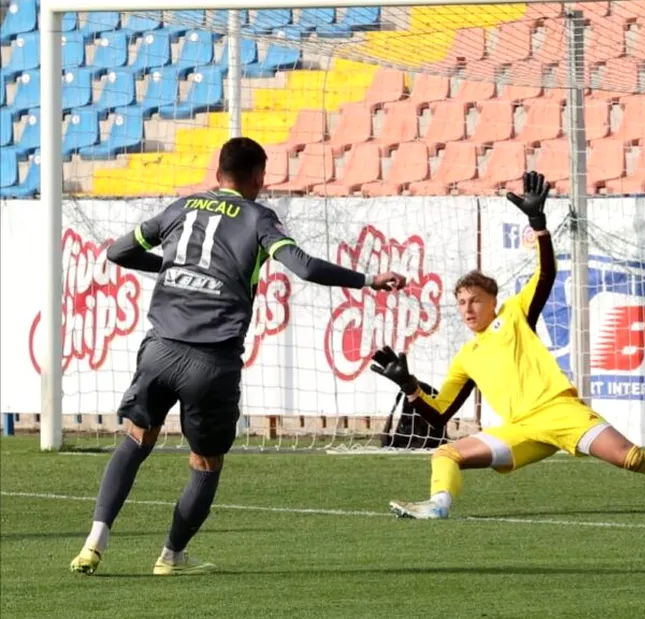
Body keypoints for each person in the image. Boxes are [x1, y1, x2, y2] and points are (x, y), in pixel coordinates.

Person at [70, 137, 407, 576]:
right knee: (206, 462)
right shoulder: (258, 217)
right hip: (211, 362)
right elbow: (303, 266)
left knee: (135, 438)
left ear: (217, 174)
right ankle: (171, 557)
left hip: (159, 351)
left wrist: (176, 268)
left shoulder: (182, 208)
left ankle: (95, 540)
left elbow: (118, 252)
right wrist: (367, 280)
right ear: (257, 178)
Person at [373, 171, 645, 520]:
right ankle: (438, 505)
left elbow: (546, 272)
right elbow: (439, 416)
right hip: (520, 430)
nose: (467, 308)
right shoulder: (466, 356)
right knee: (445, 453)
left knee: (632, 458)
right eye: (461, 302)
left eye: (474, 299)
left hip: (559, 411)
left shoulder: (514, 315)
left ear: (493, 299)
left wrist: (538, 225)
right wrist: (409, 387)